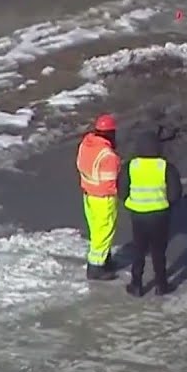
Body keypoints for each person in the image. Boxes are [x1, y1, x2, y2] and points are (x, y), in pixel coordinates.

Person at [119, 131, 183, 297]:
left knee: (139, 250)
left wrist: (129, 203)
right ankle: (161, 285)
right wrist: (166, 205)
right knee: (158, 251)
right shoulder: (165, 167)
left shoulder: (131, 166)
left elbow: (122, 190)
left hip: (138, 214)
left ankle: (136, 285)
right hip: (160, 215)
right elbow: (175, 193)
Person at [76, 113, 121, 281]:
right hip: (103, 198)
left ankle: (105, 259)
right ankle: (96, 267)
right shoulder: (108, 156)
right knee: (104, 231)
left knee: (96, 230)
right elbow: (111, 184)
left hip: (88, 194)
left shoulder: (86, 145)